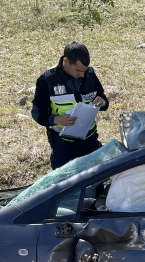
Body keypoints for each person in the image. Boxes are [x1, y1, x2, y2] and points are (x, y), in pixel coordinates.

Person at [32, 41, 109, 170]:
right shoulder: (47, 80)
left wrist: (103, 102)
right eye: (78, 70)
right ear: (66, 61)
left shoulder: (89, 74)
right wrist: (56, 119)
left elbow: (103, 99)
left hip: (90, 140)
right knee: (63, 183)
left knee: (95, 180)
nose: (82, 75)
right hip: (63, 143)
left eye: (84, 70)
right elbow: (37, 113)